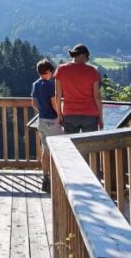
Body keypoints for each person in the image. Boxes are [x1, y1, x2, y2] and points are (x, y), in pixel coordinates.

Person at [54, 44, 103, 134]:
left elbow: (57, 94)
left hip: (69, 114)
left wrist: (59, 114)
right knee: (90, 145)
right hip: (90, 114)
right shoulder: (92, 71)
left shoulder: (61, 70)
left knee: (71, 146)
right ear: (82, 55)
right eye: (87, 57)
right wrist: (100, 117)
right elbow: (97, 96)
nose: (87, 60)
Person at [31, 58, 62, 193]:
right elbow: (54, 103)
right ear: (48, 71)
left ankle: (45, 178)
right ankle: (58, 179)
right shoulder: (49, 85)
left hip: (41, 120)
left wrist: (41, 112)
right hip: (52, 121)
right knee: (60, 148)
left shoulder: (35, 84)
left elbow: (33, 103)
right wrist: (60, 115)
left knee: (45, 149)